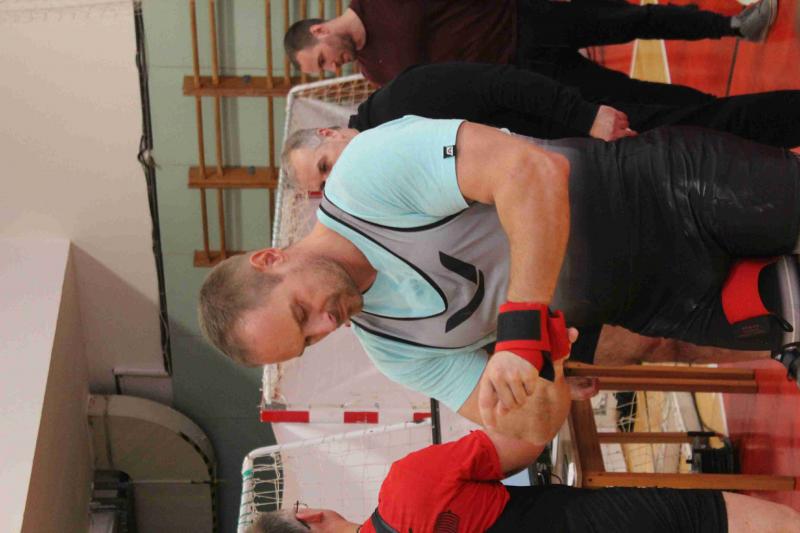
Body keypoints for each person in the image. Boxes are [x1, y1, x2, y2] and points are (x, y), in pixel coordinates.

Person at [198, 117, 800, 435]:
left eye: (301, 312)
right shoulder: (394, 350)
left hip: (665, 193)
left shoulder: (364, 179)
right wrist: (538, 384)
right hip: (664, 303)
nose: (326, 325)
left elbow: (531, 172)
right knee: (788, 320)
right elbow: (532, 424)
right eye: (309, 340)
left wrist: (520, 332)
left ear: (270, 258)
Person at [244, 420, 800, 532]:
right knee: (716, 518)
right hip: (607, 524)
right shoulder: (407, 487)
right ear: (311, 515)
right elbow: (525, 441)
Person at [283, 0, 777, 106]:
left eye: (322, 60)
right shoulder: (377, 74)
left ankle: (733, 25)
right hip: (523, 77)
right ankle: (732, 115)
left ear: (321, 30)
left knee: (631, 21)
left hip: (528, 20)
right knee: (633, 99)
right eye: (323, 71)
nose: (332, 67)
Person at [348, 62, 800, 148]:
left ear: (330, 133)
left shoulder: (400, 101)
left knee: (709, 126)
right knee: (708, 132)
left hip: (583, 127)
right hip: (580, 149)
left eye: (326, 166)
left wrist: (585, 116)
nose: (337, 174)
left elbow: (500, 84)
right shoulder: (389, 135)